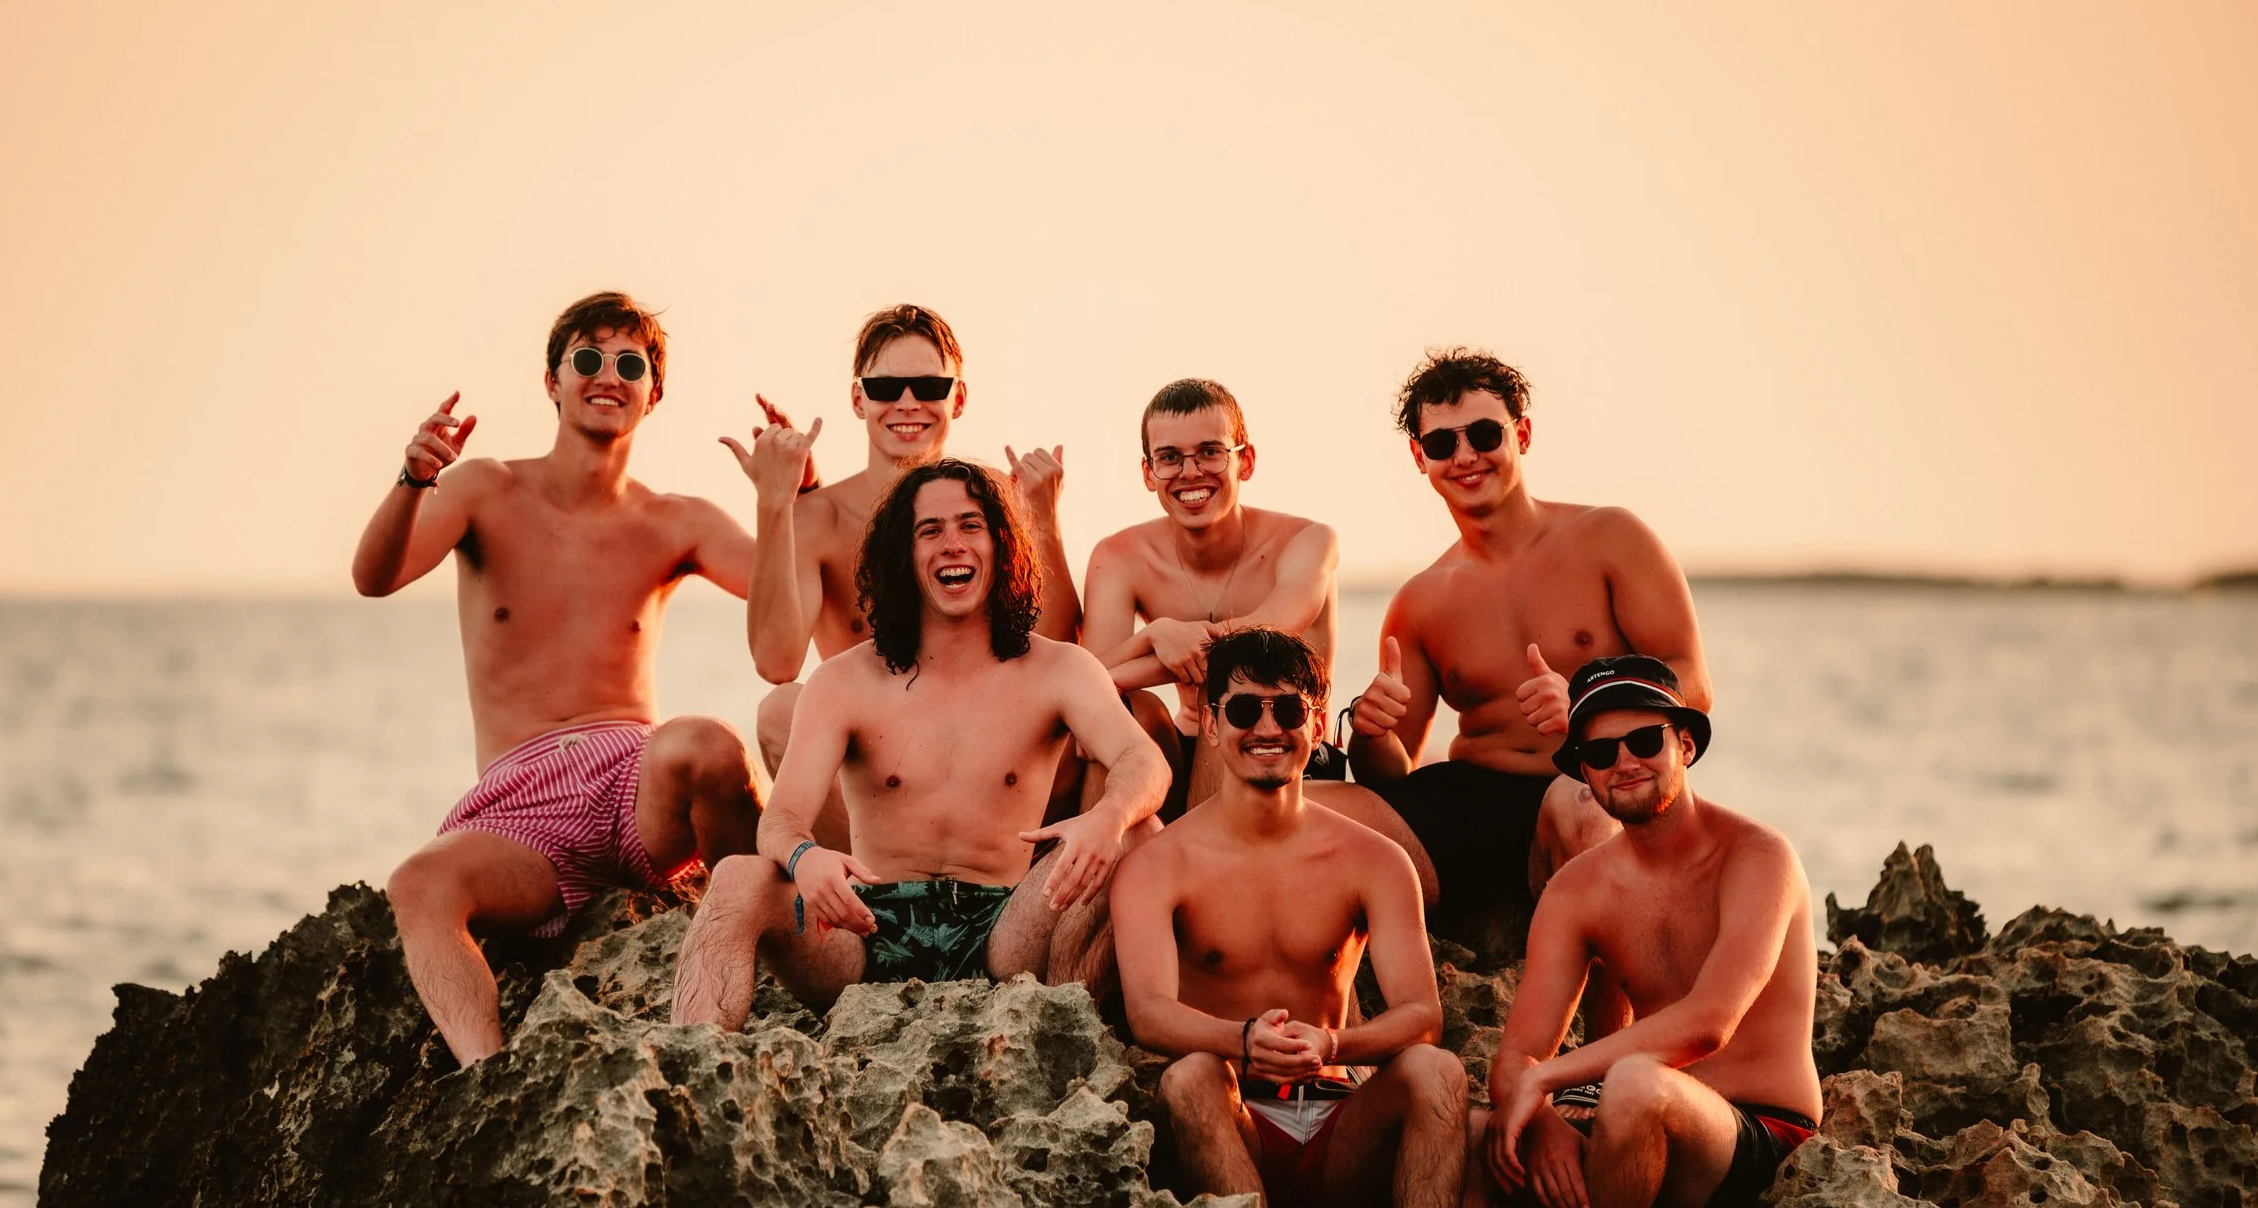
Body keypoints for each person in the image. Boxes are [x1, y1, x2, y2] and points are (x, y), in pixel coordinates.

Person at [352, 291, 762, 1066]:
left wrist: (788, 499)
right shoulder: (483, 489)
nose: (608, 375)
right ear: (552, 380)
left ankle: (746, 925)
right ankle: (490, 1075)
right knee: (418, 884)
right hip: (521, 807)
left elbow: (792, 604)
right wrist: (411, 479)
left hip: (634, 784)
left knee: (709, 744)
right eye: (588, 358)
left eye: (630, 363)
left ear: (654, 392)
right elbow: (376, 577)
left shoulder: (679, 520)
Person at [672, 460, 1165, 1029]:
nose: (951, 545)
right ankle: (688, 1062)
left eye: (970, 525)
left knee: (1139, 833)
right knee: (737, 876)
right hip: (863, 931)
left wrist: (1108, 815)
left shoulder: (1059, 668)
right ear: (901, 557)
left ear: (1002, 545)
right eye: (929, 531)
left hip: (1006, 935)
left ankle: (1058, 1027)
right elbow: (780, 821)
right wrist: (806, 858)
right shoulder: (843, 681)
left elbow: (1142, 759)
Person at [1111, 628, 1471, 1208]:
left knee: (1438, 1074)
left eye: (1287, 710)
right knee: (1187, 1077)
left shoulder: (1372, 857)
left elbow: (1421, 1014)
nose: (1267, 729)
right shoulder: (1161, 862)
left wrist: (1332, 1047)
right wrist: (1240, 1038)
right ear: (1210, 723)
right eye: (1244, 710)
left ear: (1316, 721)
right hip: (1238, 1132)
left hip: (1339, 1120)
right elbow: (1148, 1011)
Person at [1470, 655, 1821, 1208]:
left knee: (1630, 1084)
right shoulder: (1579, 889)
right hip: (1632, 1136)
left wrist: (1547, 1079)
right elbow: (1517, 1051)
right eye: (1601, 751)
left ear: (1684, 743)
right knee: (1468, 1126)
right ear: (1583, 771)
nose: (1624, 761)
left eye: (1645, 741)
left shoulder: (1757, 856)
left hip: (1754, 1142)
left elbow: (1710, 1021)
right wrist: (1538, 1120)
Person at [1348, 349, 1711, 935]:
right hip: (1466, 805)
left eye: (1485, 434)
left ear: (1522, 434)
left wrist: (1589, 705)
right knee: (1290, 811)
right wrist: (1369, 731)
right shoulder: (1421, 599)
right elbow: (1390, 773)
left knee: (1582, 808)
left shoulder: (1610, 537)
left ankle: (1610, 1026)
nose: (1465, 456)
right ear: (1421, 456)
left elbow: (1692, 681)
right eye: (1442, 444)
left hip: (1589, 783)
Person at [728, 305, 1082, 847]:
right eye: (886, 386)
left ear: (957, 398)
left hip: (990, 766)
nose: (908, 403)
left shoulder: (995, 501)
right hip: (877, 785)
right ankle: (864, 895)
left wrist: (1045, 523)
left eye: (929, 385)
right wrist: (775, 504)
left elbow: (1057, 647)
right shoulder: (819, 518)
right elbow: (776, 664)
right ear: (858, 398)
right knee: (781, 711)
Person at [1079, 379, 1430, 884]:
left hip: (1282, 746)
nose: (1190, 472)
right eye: (1170, 457)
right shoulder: (1119, 556)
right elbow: (1092, 692)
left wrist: (1174, 642)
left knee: (1227, 698)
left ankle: (1208, 889)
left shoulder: (1307, 542)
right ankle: (1094, 898)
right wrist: (1153, 634)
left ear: (1245, 461)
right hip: (1185, 753)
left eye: (1210, 452)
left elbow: (1255, 643)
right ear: (1148, 472)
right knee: (1123, 713)